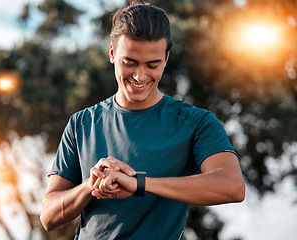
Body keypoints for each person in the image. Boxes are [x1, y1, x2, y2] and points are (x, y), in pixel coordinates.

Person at [40, 2, 245, 239]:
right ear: (112, 54)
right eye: (130, 63)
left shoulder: (197, 123)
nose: (139, 76)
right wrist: (91, 185)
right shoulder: (81, 123)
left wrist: (139, 184)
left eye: (152, 65)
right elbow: (48, 216)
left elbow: (232, 186)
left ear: (166, 59)